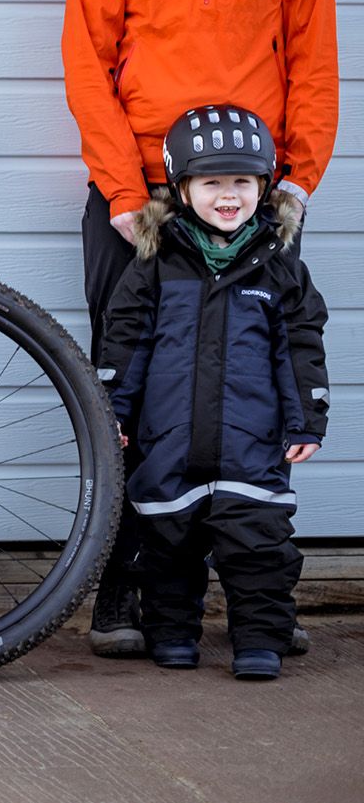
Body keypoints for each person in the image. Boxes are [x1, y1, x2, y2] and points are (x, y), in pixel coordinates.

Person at [60, 0, 338, 656]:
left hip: (251, 194)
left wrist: (295, 182)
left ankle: (263, 598)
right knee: (136, 398)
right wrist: (124, 193)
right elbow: (86, 61)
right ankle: (125, 591)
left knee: (256, 386)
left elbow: (315, 57)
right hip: (140, 199)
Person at [101, 105, 328, 679]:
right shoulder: (155, 263)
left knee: (259, 549)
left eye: (242, 183)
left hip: (251, 442)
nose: (228, 197)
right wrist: (113, 415)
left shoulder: (278, 265)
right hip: (168, 440)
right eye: (212, 183)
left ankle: (261, 641)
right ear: (182, 189)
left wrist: (307, 420)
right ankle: (172, 634)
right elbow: (125, 343)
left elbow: (301, 343)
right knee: (168, 545)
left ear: (264, 188)